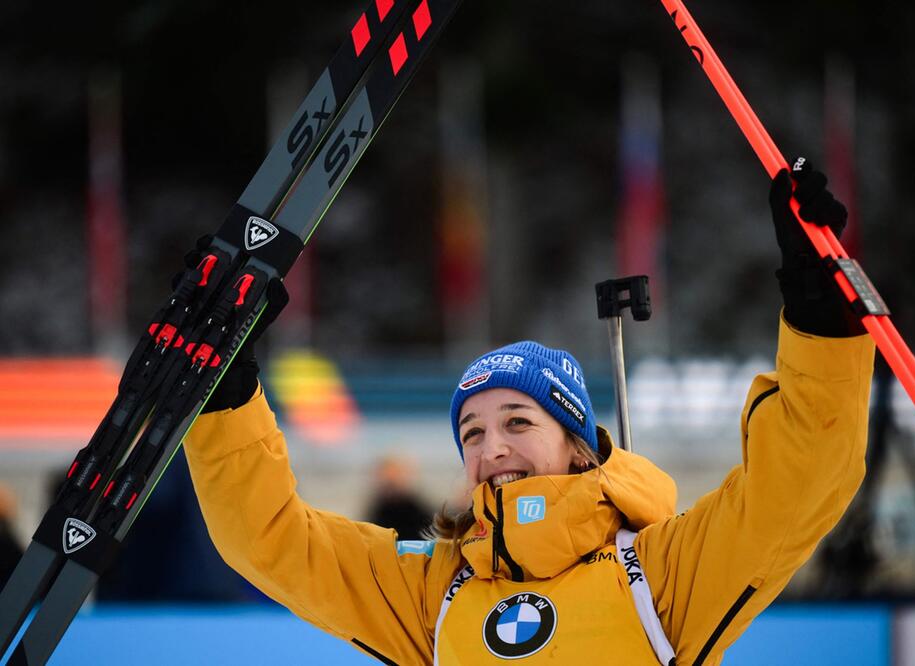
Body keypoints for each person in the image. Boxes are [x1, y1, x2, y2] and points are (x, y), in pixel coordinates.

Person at [184, 160, 874, 664]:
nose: (493, 448)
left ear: (577, 445)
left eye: (518, 421)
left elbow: (802, 482)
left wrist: (819, 313)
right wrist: (224, 395)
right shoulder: (434, 591)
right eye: (473, 433)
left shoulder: (665, 576)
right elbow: (270, 540)